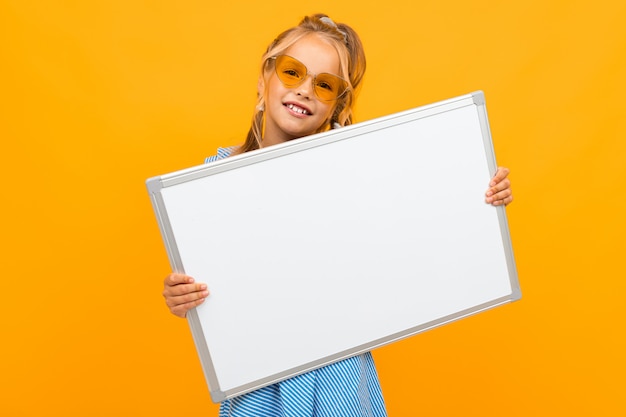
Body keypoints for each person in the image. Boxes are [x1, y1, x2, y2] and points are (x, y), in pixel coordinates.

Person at [162, 13, 513, 417]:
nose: (304, 91)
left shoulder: (355, 179)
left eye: (324, 84)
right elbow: (209, 284)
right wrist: (180, 294)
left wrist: (480, 194)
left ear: (337, 107)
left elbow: (418, 228)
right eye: (292, 72)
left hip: (340, 383)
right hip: (259, 391)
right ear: (264, 80)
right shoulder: (211, 180)